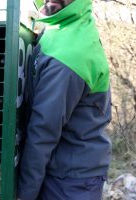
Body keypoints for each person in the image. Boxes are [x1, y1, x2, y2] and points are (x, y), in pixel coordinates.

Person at [17, 0, 112, 199]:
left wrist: (25, 194)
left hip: (70, 182)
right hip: (71, 168)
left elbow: (43, 134)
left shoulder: (68, 58)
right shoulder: (69, 24)